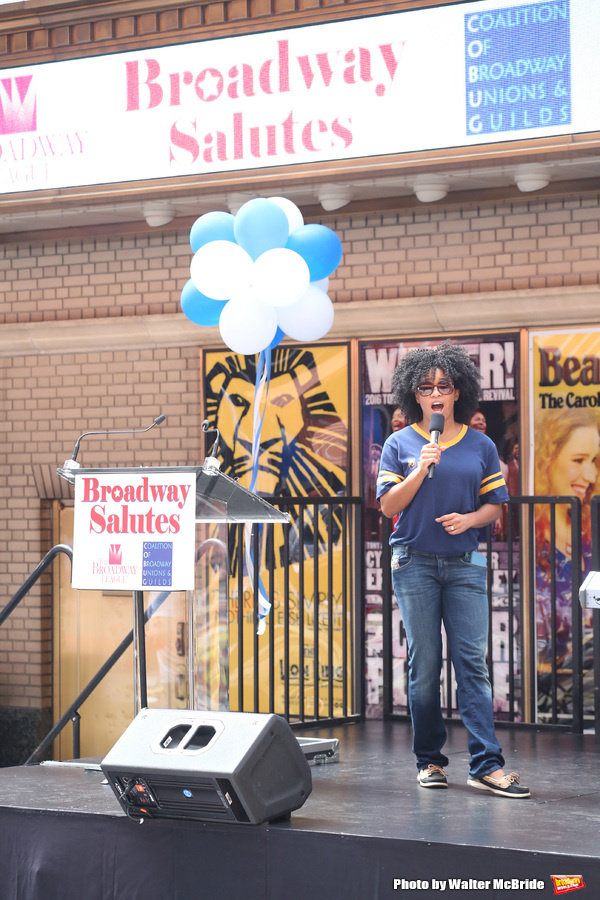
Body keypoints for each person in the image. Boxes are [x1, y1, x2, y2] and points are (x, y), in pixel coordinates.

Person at [376, 340, 530, 799]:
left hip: (465, 564)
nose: (436, 392)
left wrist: (469, 519)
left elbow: (495, 509)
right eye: (426, 387)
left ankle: (486, 764)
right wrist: (421, 469)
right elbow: (388, 507)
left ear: (458, 391)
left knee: (472, 667)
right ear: (415, 395)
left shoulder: (481, 445)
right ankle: (430, 762)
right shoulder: (400, 443)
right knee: (424, 666)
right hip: (413, 564)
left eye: (444, 385)